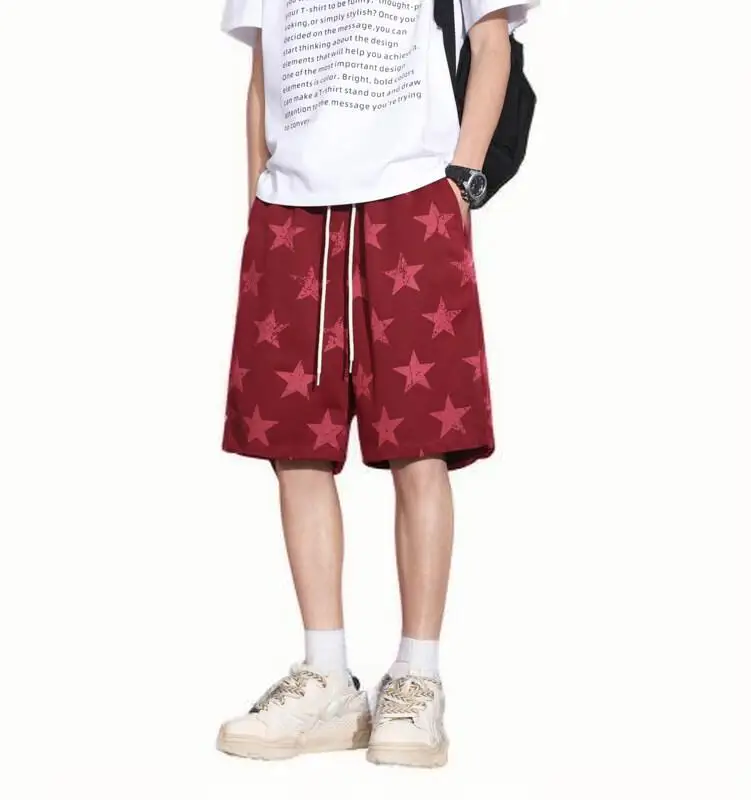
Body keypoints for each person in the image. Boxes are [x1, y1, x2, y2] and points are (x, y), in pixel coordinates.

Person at [216, 0, 536, 769]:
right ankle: (326, 674)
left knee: (421, 445)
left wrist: (461, 182)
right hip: (290, 209)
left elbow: (491, 39)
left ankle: (417, 678)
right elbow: (263, 74)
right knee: (294, 447)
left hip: (414, 196)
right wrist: (258, 200)